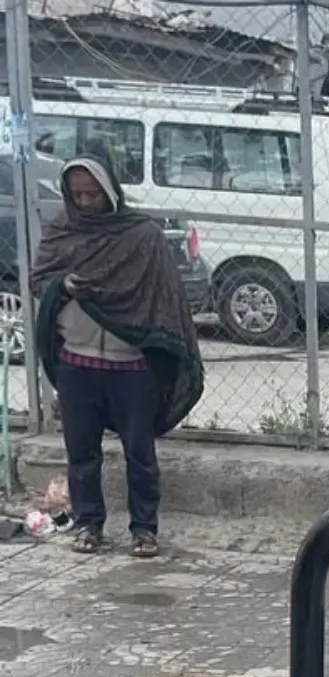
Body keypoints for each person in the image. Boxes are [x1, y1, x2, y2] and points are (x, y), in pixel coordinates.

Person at [30, 151, 205, 558]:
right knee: (81, 453)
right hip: (77, 361)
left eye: (94, 193)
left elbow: (165, 296)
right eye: (79, 195)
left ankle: (145, 530)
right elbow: (42, 281)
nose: (87, 202)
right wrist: (65, 286)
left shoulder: (141, 235)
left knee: (139, 453)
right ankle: (89, 524)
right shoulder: (62, 231)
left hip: (130, 365)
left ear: (111, 191)